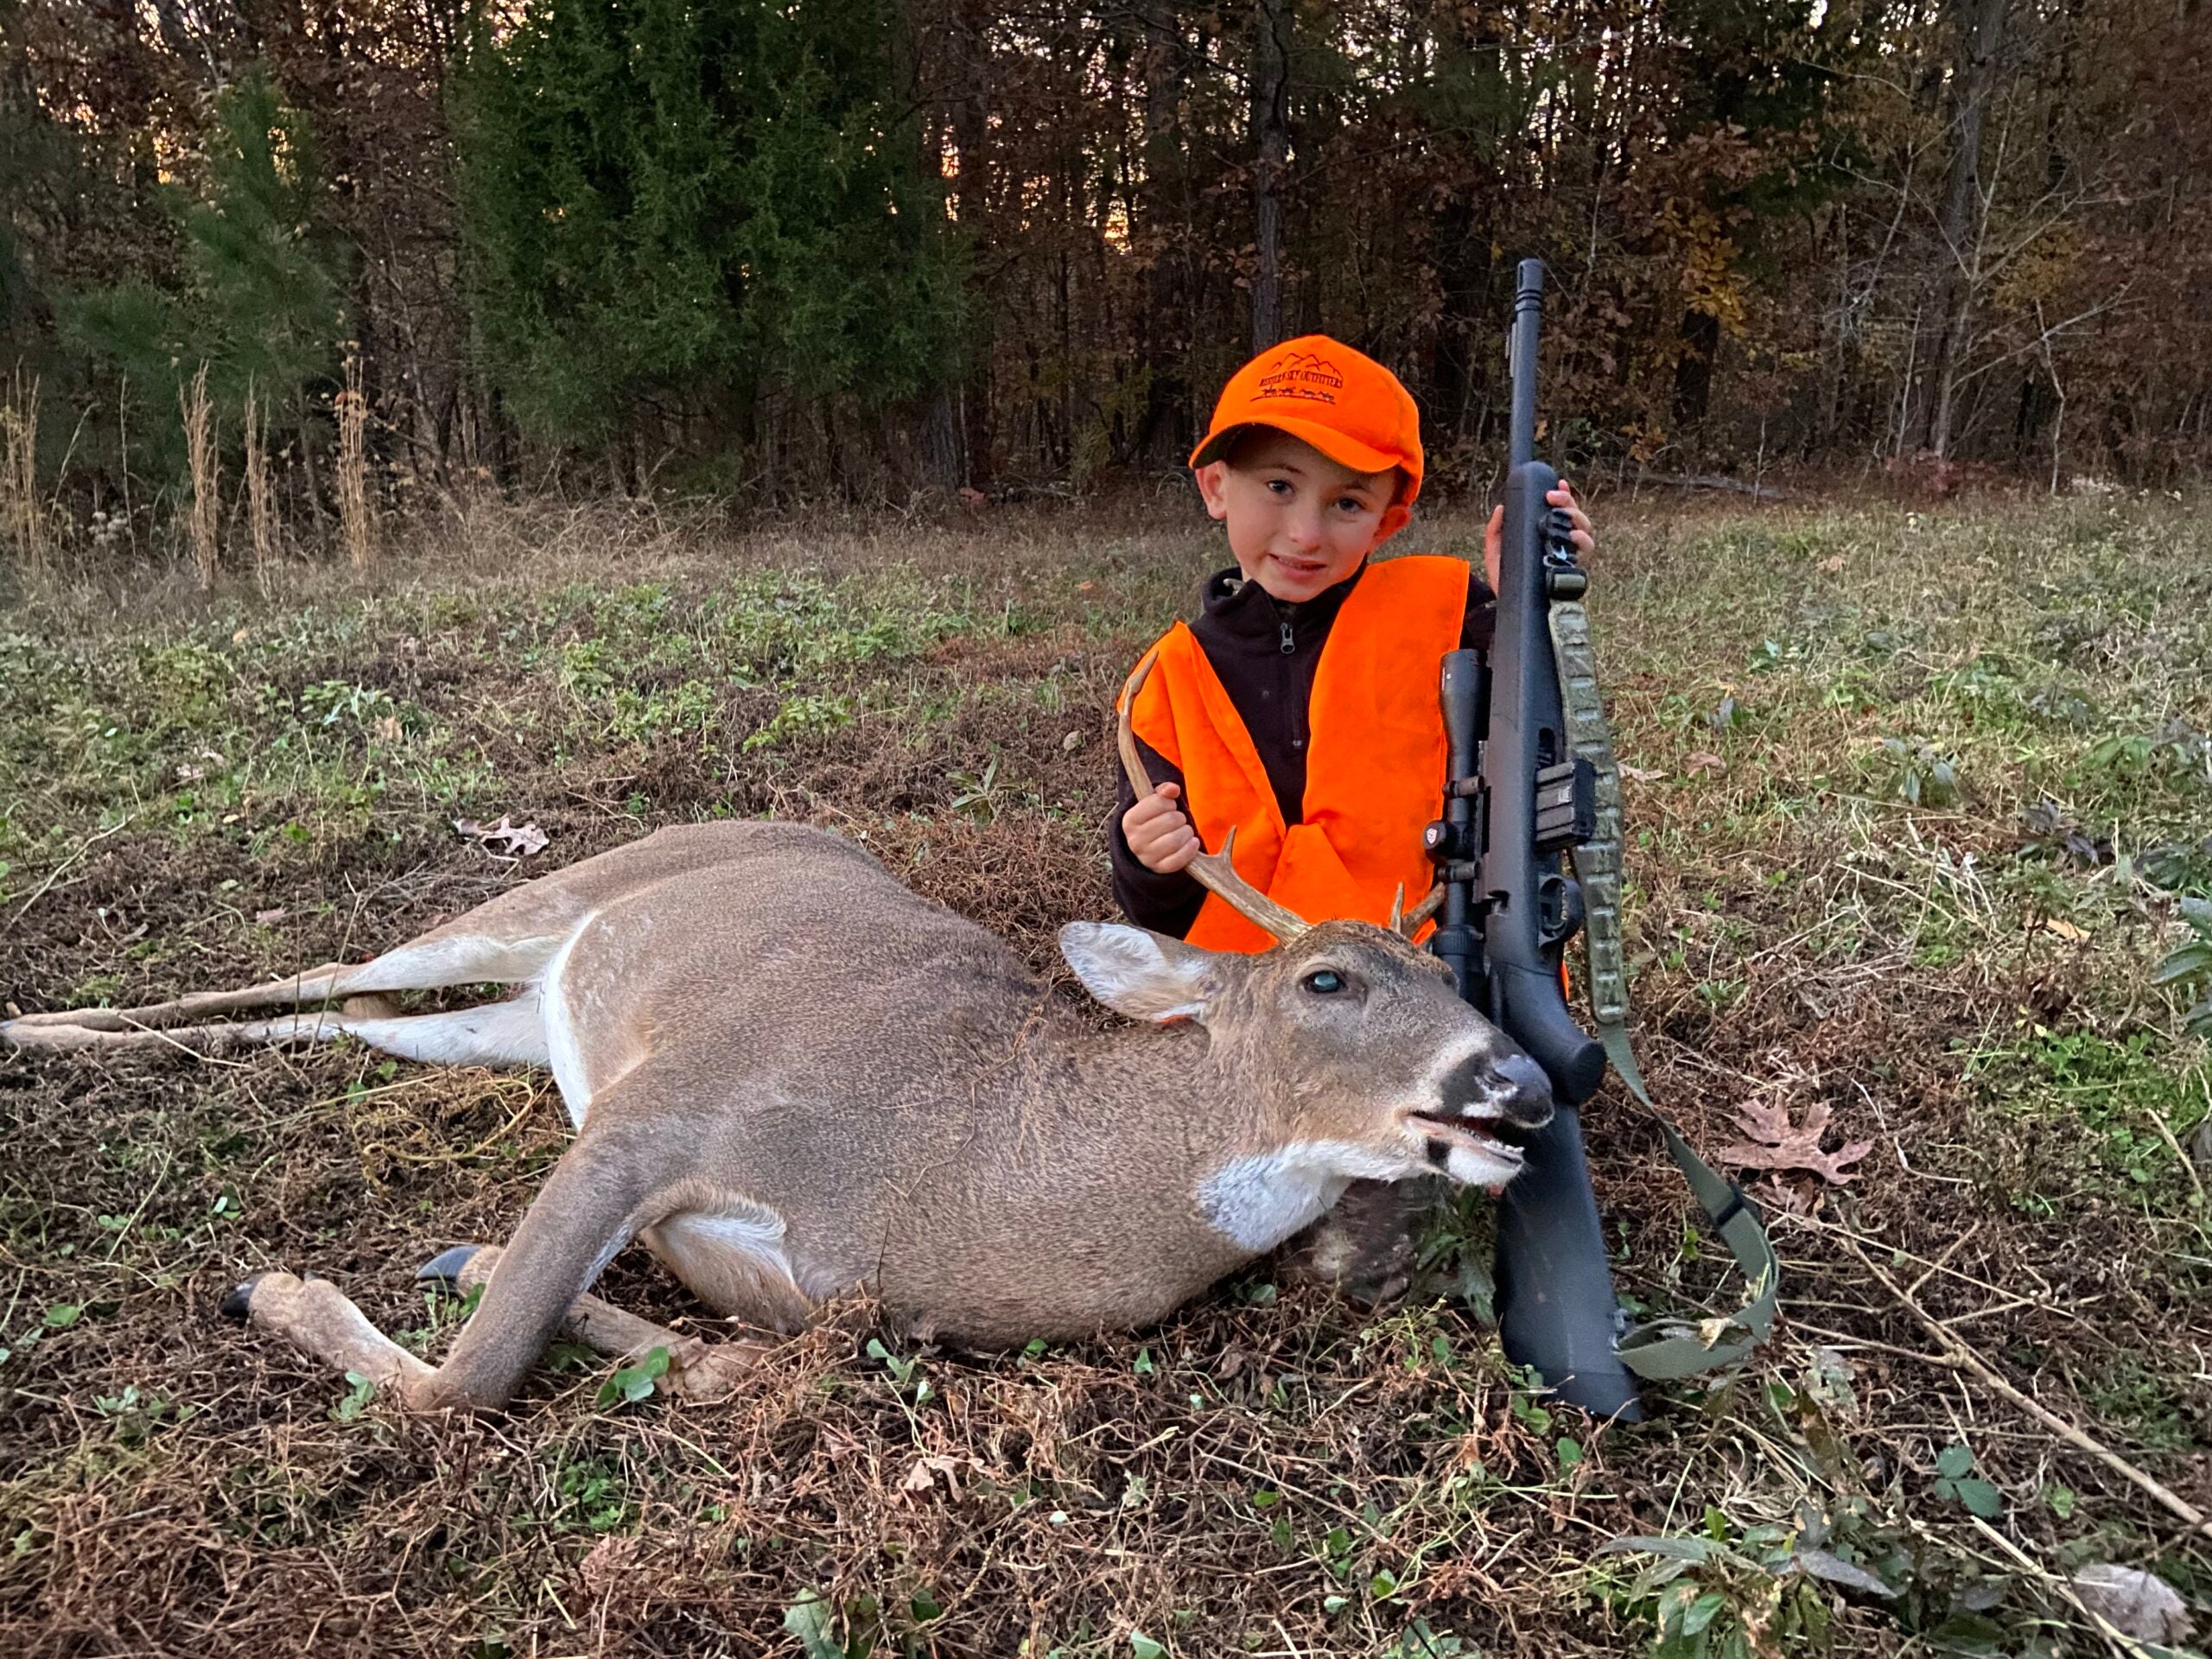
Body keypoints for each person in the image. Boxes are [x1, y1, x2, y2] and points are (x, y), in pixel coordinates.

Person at [1110, 335, 1593, 1303]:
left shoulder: (1450, 608)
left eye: (1345, 503)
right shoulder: (1162, 682)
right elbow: (1152, 907)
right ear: (1215, 487)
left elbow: (1527, 715)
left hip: (1419, 1004)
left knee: (1362, 1268)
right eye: (1277, 487)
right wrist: (1149, 857)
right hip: (1254, 1021)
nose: (1305, 530)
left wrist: (1531, 594)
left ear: (1391, 515)